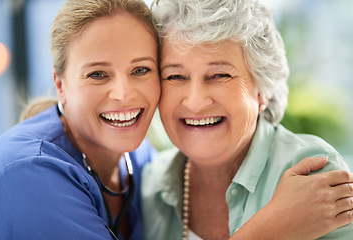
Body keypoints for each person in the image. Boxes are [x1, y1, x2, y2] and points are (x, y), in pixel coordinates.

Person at [141, 0, 353, 239]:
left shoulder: (312, 174)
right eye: (175, 76)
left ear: (262, 89)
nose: (195, 102)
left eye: (220, 74)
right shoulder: (150, 185)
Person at [0, 0, 160, 239]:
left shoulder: (138, 157)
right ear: (60, 86)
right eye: (98, 74)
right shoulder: (28, 173)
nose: (124, 95)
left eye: (141, 70)